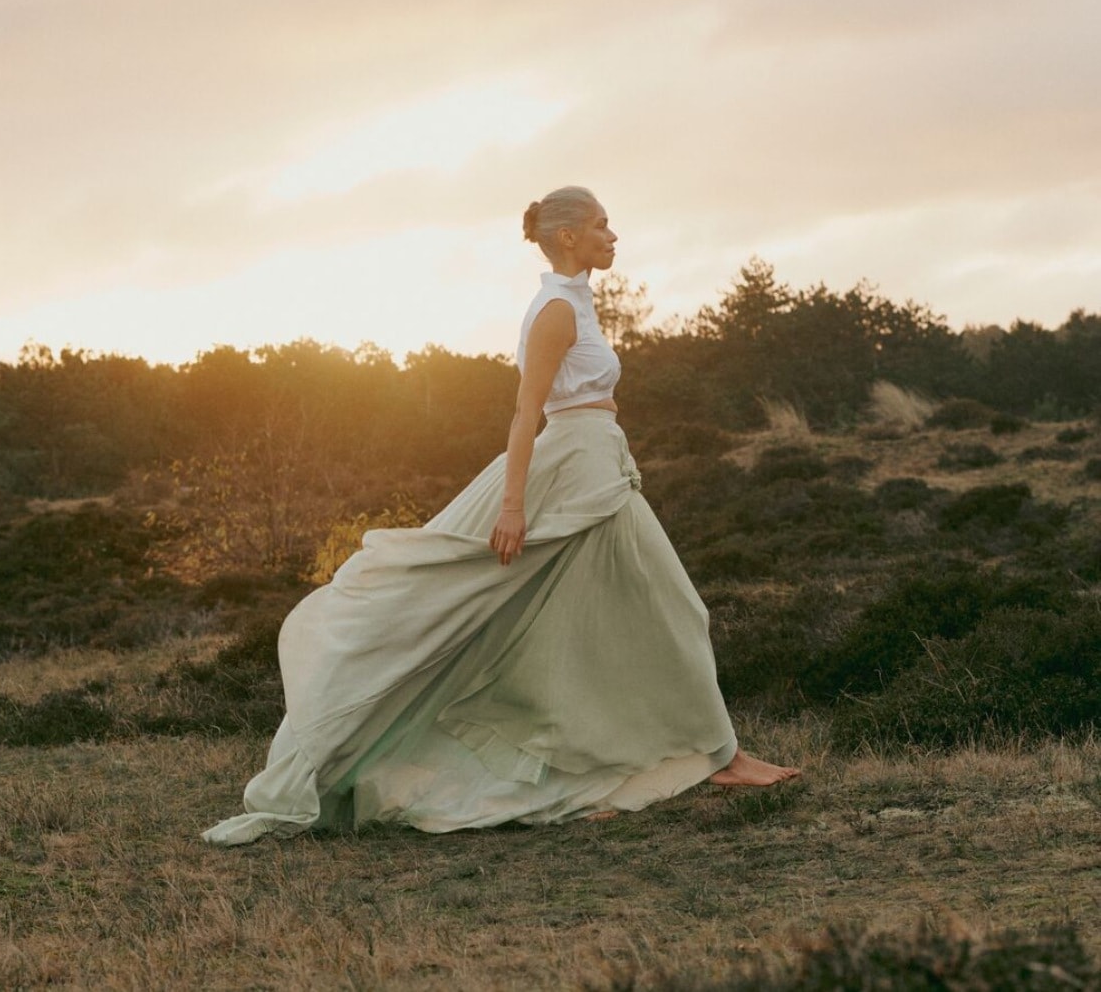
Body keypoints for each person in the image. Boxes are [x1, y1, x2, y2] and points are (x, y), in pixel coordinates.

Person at [202, 186, 798, 846]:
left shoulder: (576, 300)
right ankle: (723, 758)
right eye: (603, 224)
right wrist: (511, 505)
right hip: (574, 472)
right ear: (568, 236)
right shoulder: (554, 311)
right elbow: (525, 411)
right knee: (676, 607)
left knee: (622, 618)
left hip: (600, 466)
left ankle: (660, 760)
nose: (614, 235)